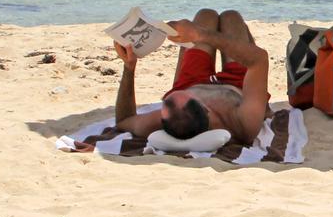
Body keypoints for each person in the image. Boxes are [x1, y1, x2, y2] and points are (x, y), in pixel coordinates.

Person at [113, 9, 270, 146]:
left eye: (169, 98)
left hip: (192, 80)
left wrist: (129, 68)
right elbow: (259, 59)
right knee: (231, 17)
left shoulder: (161, 119)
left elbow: (123, 120)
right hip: (237, 85)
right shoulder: (244, 122)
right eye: (190, 95)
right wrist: (199, 35)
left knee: (205, 15)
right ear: (206, 108)